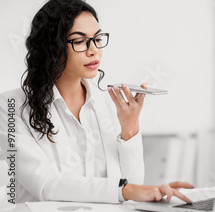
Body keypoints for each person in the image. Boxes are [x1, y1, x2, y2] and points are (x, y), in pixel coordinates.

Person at [0, 0, 193, 204]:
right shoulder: (9, 106)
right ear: (52, 47)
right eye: (80, 41)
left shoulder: (110, 105)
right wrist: (125, 190)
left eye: (97, 38)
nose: (94, 51)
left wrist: (130, 128)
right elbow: (46, 185)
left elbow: (133, 185)